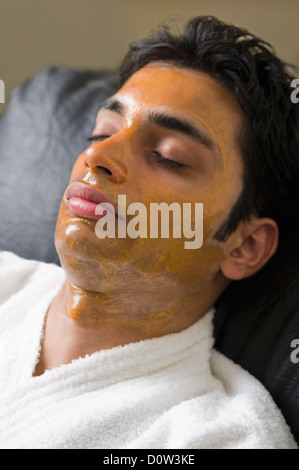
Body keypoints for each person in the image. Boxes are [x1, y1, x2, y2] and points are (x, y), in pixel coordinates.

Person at [0, 15, 298, 449]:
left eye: (169, 156)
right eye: (101, 130)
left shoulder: (212, 437)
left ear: (244, 246)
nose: (98, 156)